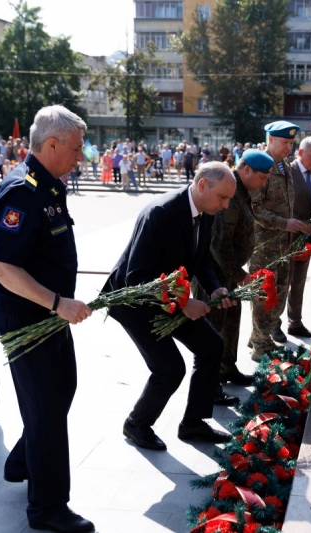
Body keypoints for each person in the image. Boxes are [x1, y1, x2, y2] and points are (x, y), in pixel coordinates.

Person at [0, 105, 94, 533]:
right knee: (47, 407)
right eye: (76, 148)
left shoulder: (49, 186)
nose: (81, 157)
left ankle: (22, 460)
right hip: (27, 318)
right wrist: (57, 303)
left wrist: (57, 305)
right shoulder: (21, 191)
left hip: (48, 316)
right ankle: (47, 508)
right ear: (51, 145)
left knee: (59, 391)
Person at [104, 162, 238, 451]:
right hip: (135, 301)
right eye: (223, 198)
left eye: (229, 199)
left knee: (212, 346)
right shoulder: (161, 214)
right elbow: (136, 277)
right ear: (203, 186)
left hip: (171, 297)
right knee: (169, 368)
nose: (226, 205)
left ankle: (193, 423)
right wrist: (185, 302)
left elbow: (200, 258)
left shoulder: (206, 211)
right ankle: (137, 424)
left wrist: (214, 286)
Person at [198, 149, 274, 389]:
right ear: (246, 169)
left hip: (228, 273)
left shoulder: (241, 191)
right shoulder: (228, 192)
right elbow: (220, 243)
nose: (263, 184)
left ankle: (227, 368)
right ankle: (210, 385)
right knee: (211, 331)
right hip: (214, 275)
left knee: (230, 324)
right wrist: (240, 275)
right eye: (262, 178)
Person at [248, 121, 311, 358]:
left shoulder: (284, 165)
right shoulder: (260, 166)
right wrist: (283, 223)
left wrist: (295, 224)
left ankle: (259, 335)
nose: (288, 147)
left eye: (291, 143)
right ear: (270, 140)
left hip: (283, 244)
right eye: (284, 142)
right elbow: (253, 208)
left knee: (279, 294)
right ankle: (260, 345)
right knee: (264, 295)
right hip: (265, 245)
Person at [286, 136, 311, 339]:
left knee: (299, 283)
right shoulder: (287, 173)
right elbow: (281, 205)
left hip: (307, 241)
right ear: (300, 153)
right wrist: (302, 223)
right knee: (282, 282)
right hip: (286, 238)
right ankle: (272, 325)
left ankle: (295, 322)